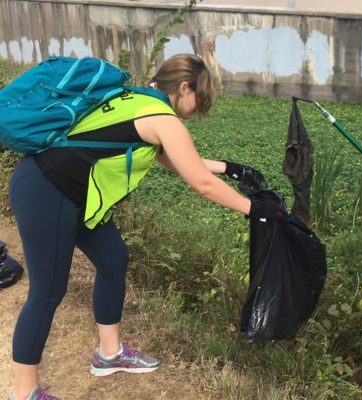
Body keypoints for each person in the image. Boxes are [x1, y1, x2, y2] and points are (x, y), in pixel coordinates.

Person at [7, 54, 283, 400]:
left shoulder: (137, 99)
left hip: (73, 195)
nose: (198, 109)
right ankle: (24, 392)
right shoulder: (164, 120)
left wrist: (231, 168)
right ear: (184, 87)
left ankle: (109, 354)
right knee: (47, 292)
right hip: (47, 191)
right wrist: (256, 210)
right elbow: (200, 182)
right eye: (200, 98)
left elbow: (170, 159)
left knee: (113, 259)